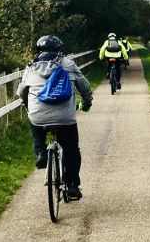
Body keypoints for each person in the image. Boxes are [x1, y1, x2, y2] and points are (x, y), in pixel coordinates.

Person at [17, 35, 93, 200]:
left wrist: (27, 106)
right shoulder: (68, 64)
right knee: (72, 150)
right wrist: (86, 103)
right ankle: (72, 185)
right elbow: (85, 87)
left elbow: (21, 92)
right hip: (65, 118)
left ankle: (40, 152)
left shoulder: (30, 67)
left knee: (34, 120)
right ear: (59, 49)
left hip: (38, 116)